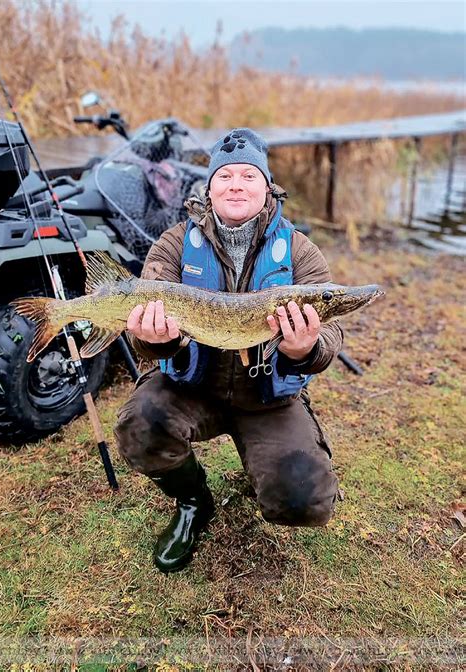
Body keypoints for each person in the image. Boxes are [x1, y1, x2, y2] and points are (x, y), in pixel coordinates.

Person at [114, 128, 343, 573]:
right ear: (210, 187)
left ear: (267, 187)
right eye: (225, 176)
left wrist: (305, 348)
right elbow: (142, 333)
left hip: (266, 398)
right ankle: (193, 502)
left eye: (248, 176)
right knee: (140, 427)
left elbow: (330, 339)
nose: (236, 184)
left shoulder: (300, 252)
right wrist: (155, 338)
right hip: (191, 386)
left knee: (304, 499)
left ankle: (263, 462)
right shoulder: (173, 245)